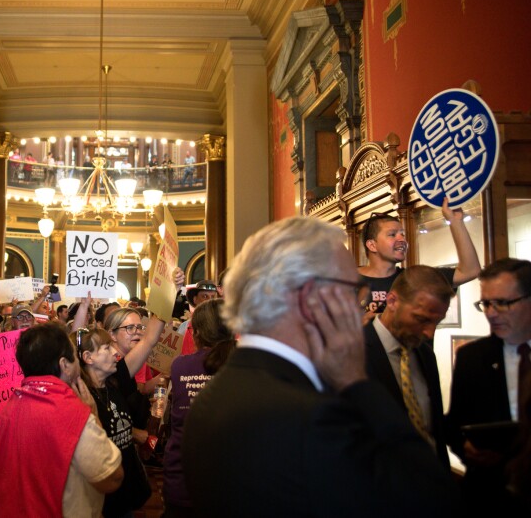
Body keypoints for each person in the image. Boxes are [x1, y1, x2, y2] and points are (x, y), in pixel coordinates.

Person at [183, 217, 459, 517]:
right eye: (352, 289)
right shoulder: (311, 410)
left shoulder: (225, 388)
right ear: (310, 298)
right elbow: (428, 493)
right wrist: (358, 383)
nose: (359, 305)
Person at [0, 325, 123, 517]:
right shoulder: (73, 413)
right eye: (75, 357)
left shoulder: (13, 405)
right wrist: (93, 416)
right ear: (64, 365)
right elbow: (111, 478)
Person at [447, 258, 531, 515]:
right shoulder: (472, 357)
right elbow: (453, 423)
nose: (491, 313)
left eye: (503, 303)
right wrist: (466, 448)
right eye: (486, 303)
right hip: (490, 495)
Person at [76, 307, 168, 517]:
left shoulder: (116, 380)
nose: (114, 352)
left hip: (125, 488)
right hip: (102, 497)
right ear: (88, 358)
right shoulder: (82, 396)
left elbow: (149, 340)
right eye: (106, 349)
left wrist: (168, 288)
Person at [363, 265, 453, 466]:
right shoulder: (353, 354)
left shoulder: (425, 355)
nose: (429, 333)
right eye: (421, 319)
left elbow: (433, 431)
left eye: (436, 322)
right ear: (392, 301)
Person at [162, 298, 234, 517]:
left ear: (197, 332)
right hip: (230, 477)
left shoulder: (180, 365)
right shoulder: (245, 363)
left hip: (183, 474)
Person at [358, 200, 480, 317]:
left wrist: (456, 221)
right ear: (372, 245)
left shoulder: (414, 280)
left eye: (402, 234)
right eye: (392, 234)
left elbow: (469, 271)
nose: (402, 240)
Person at [176, 279, 218, 355]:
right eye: (205, 296)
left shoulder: (222, 327)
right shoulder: (184, 327)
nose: (209, 301)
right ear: (195, 299)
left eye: (213, 297)